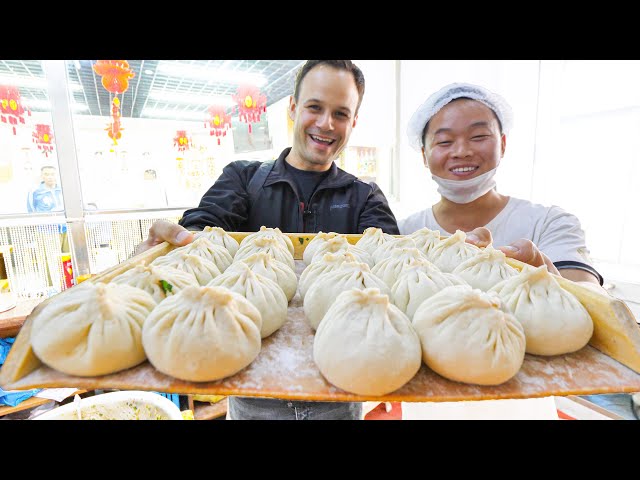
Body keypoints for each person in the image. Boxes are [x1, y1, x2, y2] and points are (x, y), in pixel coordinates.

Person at [134, 60, 400, 420]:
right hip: (250, 396)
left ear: (353, 122)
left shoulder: (365, 195)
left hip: (342, 394)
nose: (325, 123)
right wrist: (167, 250)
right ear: (293, 108)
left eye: (340, 113)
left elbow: (391, 263)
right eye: (315, 107)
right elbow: (203, 230)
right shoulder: (243, 179)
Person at [398, 82, 633, 419]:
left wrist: (543, 270)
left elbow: (588, 295)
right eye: (445, 141)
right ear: (424, 155)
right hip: (426, 410)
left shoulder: (549, 222)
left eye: (478, 136)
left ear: (503, 143)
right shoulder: (406, 235)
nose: (461, 150)